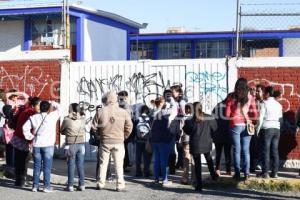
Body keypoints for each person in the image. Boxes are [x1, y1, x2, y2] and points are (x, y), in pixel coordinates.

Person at [91, 91, 133, 192]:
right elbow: (129, 126)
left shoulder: (100, 111)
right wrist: (124, 136)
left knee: (103, 163)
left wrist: (98, 136)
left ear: (106, 100)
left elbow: (93, 127)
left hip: (105, 141)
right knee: (119, 164)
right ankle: (120, 185)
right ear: (115, 99)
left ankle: (100, 183)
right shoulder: (123, 112)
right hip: (119, 141)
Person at [23, 100, 62, 192]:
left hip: (37, 144)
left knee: (37, 166)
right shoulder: (52, 116)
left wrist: (30, 136)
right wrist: (52, 102)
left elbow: (25, 128)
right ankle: (46, 186)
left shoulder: (33, 117)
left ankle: (35, 186)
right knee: (47, 167)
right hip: (48, 145)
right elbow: (60, 108)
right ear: (49, 108)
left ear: (40, 107)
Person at [225, 78, 258, 181]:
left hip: (235, 124)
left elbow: (226, 114)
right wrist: (252, 121)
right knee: (246, 150)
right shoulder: (250, 97)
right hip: (246, 124)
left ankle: (238, 173)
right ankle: (247, 173)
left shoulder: (231, 97)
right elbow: (255, 113)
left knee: (236, 150)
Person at [183, 102, 218, 192]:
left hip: (195, 144)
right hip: (206, 142)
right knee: (209, 158)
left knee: (197, 165)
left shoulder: (189, 120)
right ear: (201, 107)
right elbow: (215, 128)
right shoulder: (209, 117)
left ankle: (199, 185)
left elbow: (187, 131)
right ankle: (213, 176)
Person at [12, 97, 41, 187]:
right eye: (38, 105)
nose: (39, 107)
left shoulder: (26, 110)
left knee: (19, 160)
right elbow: (28, 129)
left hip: (17, 137)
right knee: (24, 161)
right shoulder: (30, 113)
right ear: (33, 105)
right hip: (23, 139)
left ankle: (18, 181)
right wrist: (30, 141)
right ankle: (22, 181)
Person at [150, 95, 177, 187]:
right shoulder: (166, 113)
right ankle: (165, 180)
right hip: (164, 139)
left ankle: (156, 178)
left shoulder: (153, 112)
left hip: (154, 139)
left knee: (157, 160)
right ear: (162, 103)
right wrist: (171, 99)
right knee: (164, 160)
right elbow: (174, 109)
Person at [256, 86, 282, 179]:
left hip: (266, 128)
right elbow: (280, 118)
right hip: (276, 129)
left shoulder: (264, 103)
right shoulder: (279, 105)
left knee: (265, 151)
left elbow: (260, 118)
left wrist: (257, 130)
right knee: (275, 151)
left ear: (267, 93)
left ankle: (265, 172)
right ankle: (275, 173)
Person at [61, 103, 86, 192]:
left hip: (71, 144)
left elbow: (61, 131)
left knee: (71, 165)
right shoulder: (83, 119)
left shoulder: (67, 119)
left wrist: (68, 116)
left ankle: (70, 185)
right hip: (81, 144)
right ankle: (82, 185)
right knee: (80, 165)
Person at [212, 96, 232, 177]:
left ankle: (217, 169)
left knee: (218, 153)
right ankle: (228, 170)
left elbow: (212, 117)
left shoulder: (218, 105)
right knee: (227, 153)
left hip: (218, 133)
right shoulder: (231, 106)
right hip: (227, 133)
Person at [169, 83, 186, 173]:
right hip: (173, 126)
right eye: (171, 92)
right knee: (174, 146)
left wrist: (182, 129)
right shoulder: (173, 101)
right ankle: (176, 165)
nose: (172, 94)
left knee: (180, 146)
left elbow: (184, 115)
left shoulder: (182, 101)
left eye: (173, 92)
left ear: (178, 92)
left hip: (179, 126)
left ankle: (181, 164)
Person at [250, 84, 265, 172]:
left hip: (262, 128)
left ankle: (260, 163)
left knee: (261, 147)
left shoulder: (265, 102)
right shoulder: (253, 101)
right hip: (253, 127)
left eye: (258, 91)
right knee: (252, 147)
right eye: (255, 91)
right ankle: (252, 165)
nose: (256, 92)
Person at [134, 104, 152, 177]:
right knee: (147, 157)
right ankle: (146, 172)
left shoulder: (137, 119)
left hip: (138, 141)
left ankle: (138, 172)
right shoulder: (150, 119)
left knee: (138, 157)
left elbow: (134, 130)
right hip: (147, 141)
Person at [118, 90, 133, 172]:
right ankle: (125, 165)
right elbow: (129, 119)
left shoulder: (118, 105)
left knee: (123, 148)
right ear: (126, 97)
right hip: (123, 130)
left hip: (120, 129)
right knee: (124, 148)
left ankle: (125, 164)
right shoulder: (125, 105)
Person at [180, 103, 195, 185]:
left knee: (186, 160)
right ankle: (194, 178)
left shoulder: (184, 118)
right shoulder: (196, 118)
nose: (184, 110)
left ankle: (185, 178)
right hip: (194, 140)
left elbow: (181, 130)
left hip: (186, 140)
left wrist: (179, 141)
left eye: (185, 108)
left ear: (188, 109)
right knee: (194, 160)